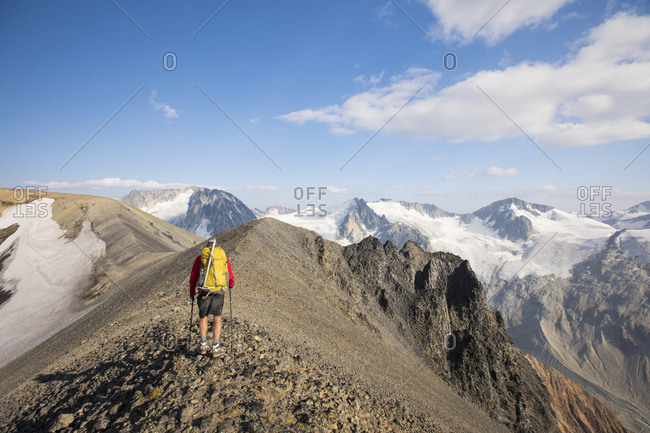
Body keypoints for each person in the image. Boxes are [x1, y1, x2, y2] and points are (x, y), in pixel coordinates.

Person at [189, 240, 235, 356]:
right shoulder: (222, 257)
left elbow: (194, 276)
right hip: (218, 292)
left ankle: (203, 345)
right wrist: (231, 285)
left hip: (204, 292)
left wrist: (192, 292)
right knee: (217, 318)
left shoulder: (200, 259)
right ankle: (215, 346)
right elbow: (229, 274)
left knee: (203, 317)